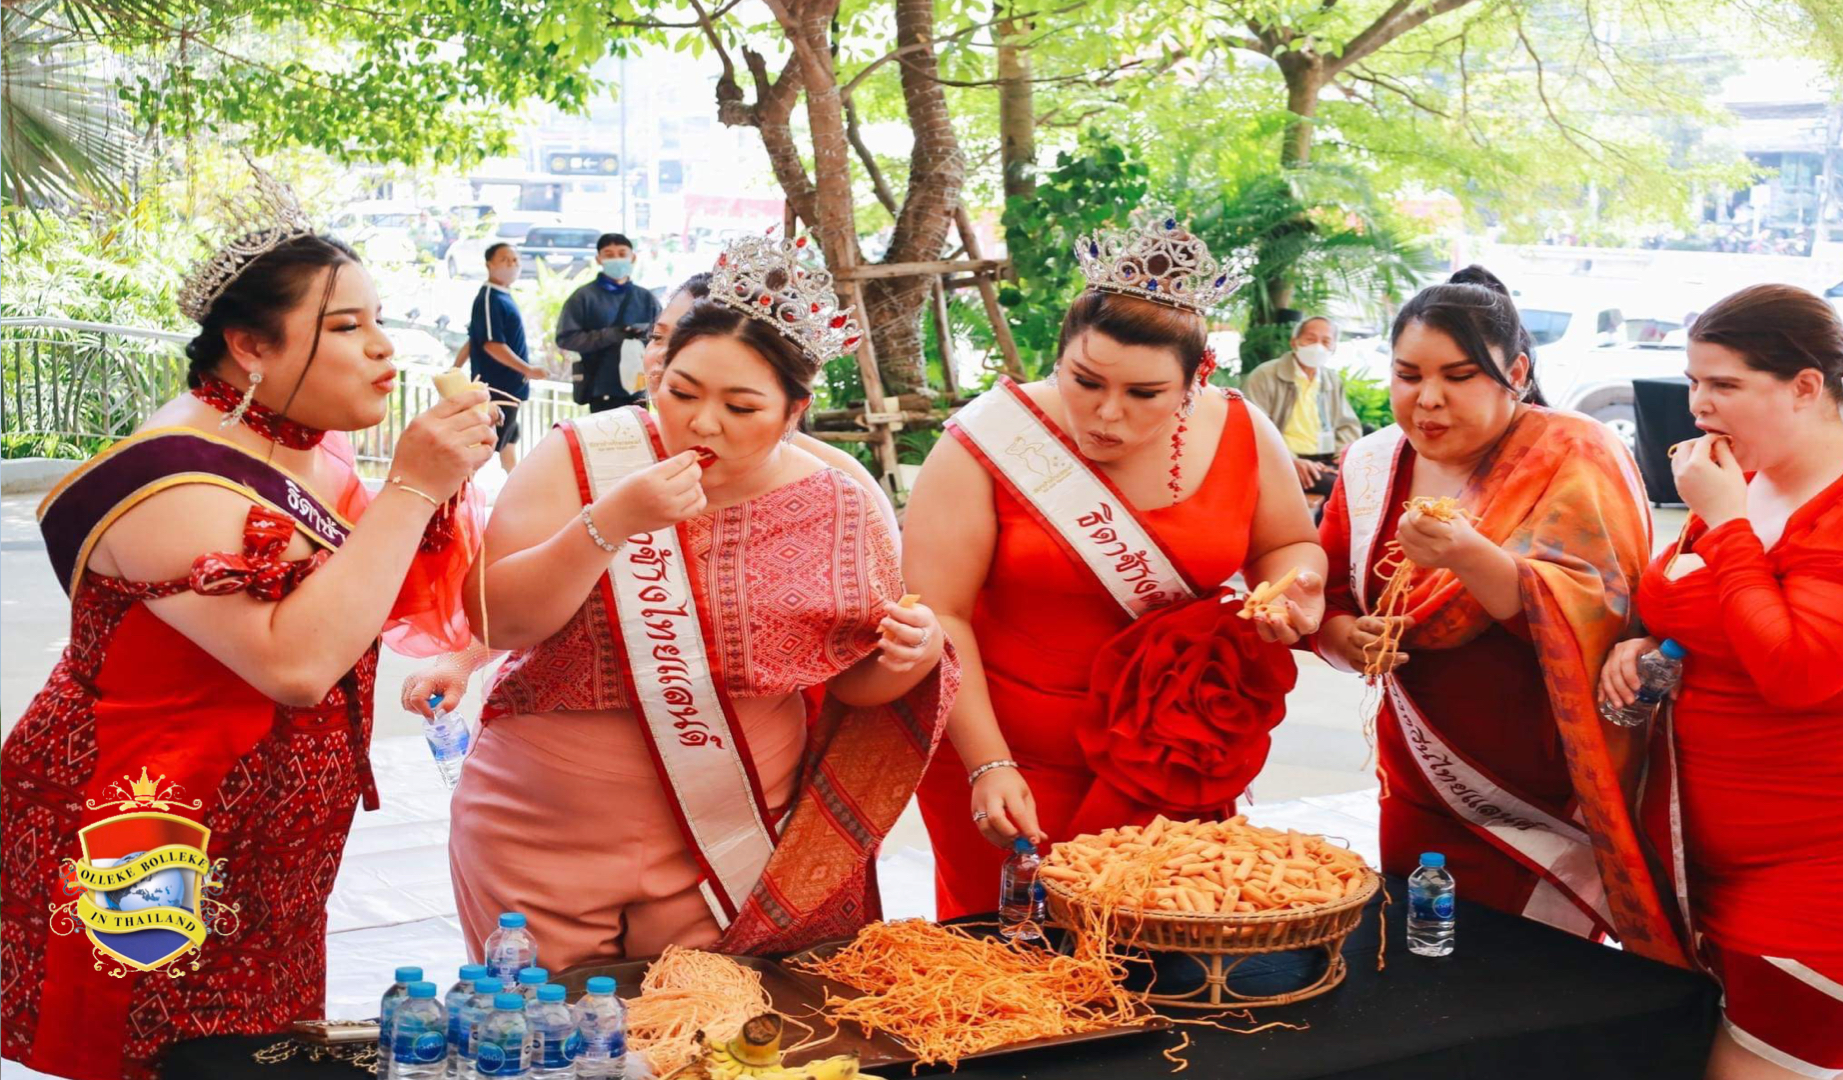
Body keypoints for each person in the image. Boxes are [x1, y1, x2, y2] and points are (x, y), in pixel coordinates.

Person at [0, 182, 489, 1080]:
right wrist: (414, 485)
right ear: (250, 346)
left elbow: (397, 595)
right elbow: (295, 664)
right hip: (156, 826)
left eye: (379, 320)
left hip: (276, 842)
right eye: (345, 326)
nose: (382, 347)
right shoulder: (171, 476)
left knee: (260, 1049)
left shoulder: (308, 445)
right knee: (160, 1052)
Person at [446, 233, 957, 969]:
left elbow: (853, 681)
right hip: (537, 828)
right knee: (540, 1027)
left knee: (708, 1023)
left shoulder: (841, 499)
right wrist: (609, 523)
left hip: (728, 835)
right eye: (681, 392)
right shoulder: (584, 455)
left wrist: (911, 657)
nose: (702, 422)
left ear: (793, 409)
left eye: (741, 406)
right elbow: (498, 618)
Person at [904, 212, 1327, 920]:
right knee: (1010, 959)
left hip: (1169, 753)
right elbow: (939, 611)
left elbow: (1288, 544)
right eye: (1085, 380)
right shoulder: (990, 441)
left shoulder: (1243, 429)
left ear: (1195, 380)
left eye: (1143, 394)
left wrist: (1294, 592)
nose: (1105, 414)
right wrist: (988, 762)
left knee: (1164, 950)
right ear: (1059, 357)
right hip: (1007, 757)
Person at [1310, 265, 1685, 966]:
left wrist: (1467, 555)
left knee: (1531, 973)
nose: (1427, 399)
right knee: (1419, 954)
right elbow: (1327, 592)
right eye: (1407, 375)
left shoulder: (1571, 452)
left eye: (1458, 376)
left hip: (1545, 778)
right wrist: (1343, 638)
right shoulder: (1370, 465)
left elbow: (1597, 607)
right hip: (1419, 770)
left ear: (1514, 372)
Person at [1604, 285, 1843, 1080]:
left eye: (1724, 384)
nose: (1697, 405)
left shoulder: (1762, 500)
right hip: (1697, 860)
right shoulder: (1740, 478)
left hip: (1810, 877)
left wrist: (1731, 523)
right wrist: (1649, 645)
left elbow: (1797, 669)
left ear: (1804, 386)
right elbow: (1716, 615)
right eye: (1693, 381)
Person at [1241, 316, 1364, 502]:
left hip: (1325, 460)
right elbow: (1252, 427)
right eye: (1310, 339)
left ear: (1334, 348)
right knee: (1345, 490)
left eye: (1326, 341)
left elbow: (1348, 424)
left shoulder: (1331, 380)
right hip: (1283, 459)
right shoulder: (1265, 375)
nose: (1318, 346)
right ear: (1294, 342)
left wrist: (1341, 456)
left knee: (1367, 481)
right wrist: (1290, 460)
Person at [452, 242, 548, 472]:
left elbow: (473, 338)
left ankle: (516, 489)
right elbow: (491, 344)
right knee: (483, 446)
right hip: (498, 387)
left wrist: (455, 368)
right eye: (505, 260)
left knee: (508, 444)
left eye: (515, 260)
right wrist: (527, 369)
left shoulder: (503, 296)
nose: (512, 265)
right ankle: (457, 489)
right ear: (489, 265)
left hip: (511, 388)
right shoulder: (489, 298)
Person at [557, 231, 661, 413]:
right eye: (609, 254)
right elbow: (566, 338)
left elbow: (665, 338)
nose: (616, 259)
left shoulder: (646, 298)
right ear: (599, 259)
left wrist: (643, 336)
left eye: (622, 254)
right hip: (600, 389)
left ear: (633, 257)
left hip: (638, 389)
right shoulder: (584, 297)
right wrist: (610, 335)